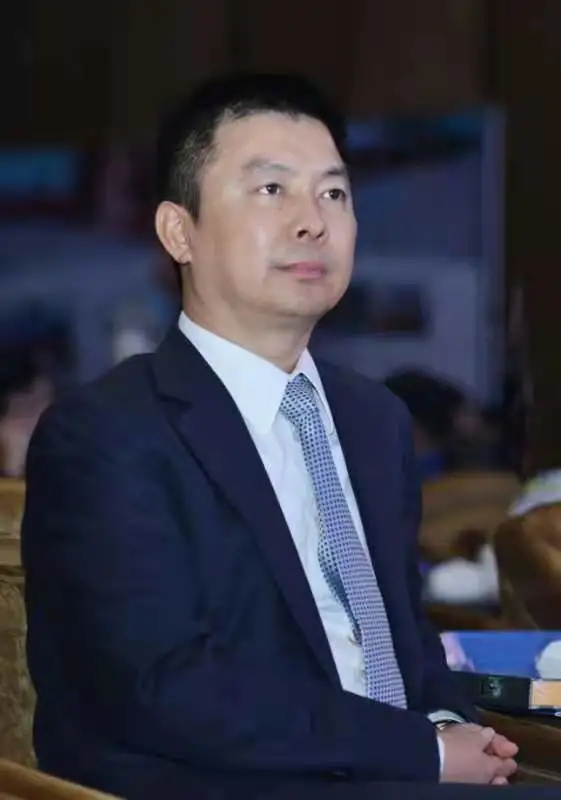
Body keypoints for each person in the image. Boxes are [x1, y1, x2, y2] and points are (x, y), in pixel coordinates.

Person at [21, 73, 518, 799]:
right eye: (271, 189)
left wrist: (448, 723)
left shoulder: (373, 419)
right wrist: (423, 752)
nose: (312, 221)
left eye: (334, 193)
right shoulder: (106, 433)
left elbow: (399, 639)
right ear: (178, 232)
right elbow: (163, 688)